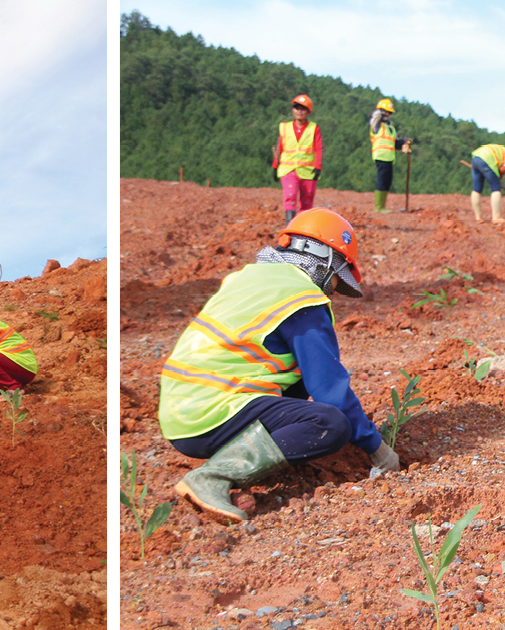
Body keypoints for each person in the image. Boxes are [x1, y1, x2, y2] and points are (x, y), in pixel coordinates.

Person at [158, 208, 401, 524]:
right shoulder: (301, 298)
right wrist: (377, 448)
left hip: (182, 409)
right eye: (334, 280)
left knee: (295, 376)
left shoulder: (250, 278)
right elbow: (331, 391)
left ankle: (249, 458)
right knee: (331, 423)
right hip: (211, 413)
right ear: (324, 262)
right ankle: (213, 477)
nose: (329, 291)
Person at [271, 94, 322, 223]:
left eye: (303, 108)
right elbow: (279, 147)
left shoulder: (313, 128)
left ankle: (302, 227)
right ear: (293, 110)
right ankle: (290, 225)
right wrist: (275, 166)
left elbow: (319, 148)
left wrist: (317, 167)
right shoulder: (285, 127)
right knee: (290, 196)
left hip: (308, 171)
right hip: (288, 169)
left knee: (307, 202)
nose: (299, 111)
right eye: (297, 108)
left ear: (308, 111)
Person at [467, 143, 505, 224]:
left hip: (476, 157)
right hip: (487, 160)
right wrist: (496, 178)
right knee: (496, 188)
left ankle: (479, 217)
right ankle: (496, 217)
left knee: (477, 188)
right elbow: (503, 169)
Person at [369, 98, 410, 214]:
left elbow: (395, 143)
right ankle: (379, 207)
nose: (387, 114)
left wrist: (404, 141)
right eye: (385, 111)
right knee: (382, 180)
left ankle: (382, 205)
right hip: (380, 156)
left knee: (387, 181)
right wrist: (379, 111)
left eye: (389, 112)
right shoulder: (376, 124)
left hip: (389, 158)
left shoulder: (390, 128)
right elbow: (376, 116)